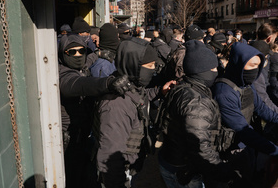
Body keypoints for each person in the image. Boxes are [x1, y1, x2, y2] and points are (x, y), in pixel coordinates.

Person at [93, 37, 175, 188]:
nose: (153, 69)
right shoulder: (115, 104)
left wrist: (159, 91)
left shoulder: (127, 85)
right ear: (133, 66)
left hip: (130, 168)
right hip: (120, 175)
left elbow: (138, 98)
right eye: (149, 65)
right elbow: (109, 158)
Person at [158, 40, 241, 188]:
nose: (217, 71)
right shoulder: (197, 103)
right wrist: (226, 172)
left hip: (170, 159)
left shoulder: (183, 85)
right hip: (183, 169)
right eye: (214, 68)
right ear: (201, 70)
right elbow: (201, 148)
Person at [58, 34, 133, 188]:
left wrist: (98, 53)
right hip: (69, 143)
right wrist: (107, 83)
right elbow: (78, 84)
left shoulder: (80, 66)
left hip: (84, 137)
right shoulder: (63, 73)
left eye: (81, 51)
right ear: (62, 54)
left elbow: (86, 61)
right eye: (72, 52)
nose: (78, 55)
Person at [212, 42, 278, 186]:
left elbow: (261, 108)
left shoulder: (247, 84)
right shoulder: (224, 92)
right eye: (252, 65)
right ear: (239, 63)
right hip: (230, 148)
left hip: (245, 144)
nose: (256, 70)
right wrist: (274, 149)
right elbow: (241, 129)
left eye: (258, 66)